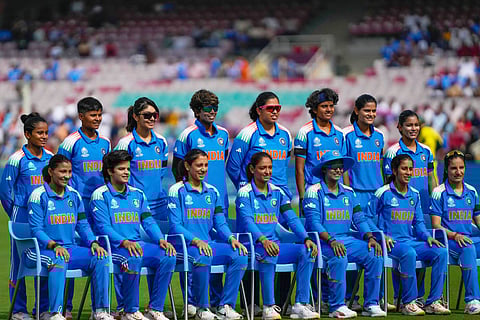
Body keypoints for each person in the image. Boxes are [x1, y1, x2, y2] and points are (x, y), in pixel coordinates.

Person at [226, 92, 292, 313]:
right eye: (270, 108)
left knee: (281, 247)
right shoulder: (247, 134)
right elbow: (233, 166)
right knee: (252, 249)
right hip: (254, 203)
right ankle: (250, 304)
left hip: (280, 202)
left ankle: (282, 303)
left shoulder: (284, 134)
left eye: (277, 108)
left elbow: (283, 166)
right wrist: (248, 190)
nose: (274, 111)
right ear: (259, 109)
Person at [91, 150, 176, 320]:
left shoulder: (138, 194)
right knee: (133, 257)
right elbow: (103, 227)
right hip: (113, 247)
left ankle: (155, 308)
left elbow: (148, 222)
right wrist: (124, 242)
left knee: (168, 256)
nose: (126, 172)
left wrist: (160, 239)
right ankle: (129, 310)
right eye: (121, 169)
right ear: (109, 171)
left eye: (128, 169)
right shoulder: (100, 195)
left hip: (136, 245)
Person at [236, 152, 319, 320]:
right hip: (252, 246)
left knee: (307, 251)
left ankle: (300, 305)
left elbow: (292, 218)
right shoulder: (244, 193)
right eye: (262, 168)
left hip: (272, 243)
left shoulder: (278, 192)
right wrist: (263, 240)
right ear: (252, 169)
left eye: (269, 167)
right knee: (270, 250)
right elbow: (247, 222)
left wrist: (305, 238)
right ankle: (268, 307)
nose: (267, 171)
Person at [27, 154, 112, 320]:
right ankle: (56, 313)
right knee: (58, 259)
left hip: (70, 249)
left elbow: (83, 225)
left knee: (101, 257)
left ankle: (100, 311)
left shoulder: (74, 195)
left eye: (69, 171)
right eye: (62, 171)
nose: (67, 175)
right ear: (51, 172)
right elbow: (36, 230)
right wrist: (54, 245)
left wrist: (93, 242)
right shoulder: (38, 196)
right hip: (39, 251)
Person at [303, 150, 385, 318]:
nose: (338, 171)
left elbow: (359, 219)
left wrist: (369, 237)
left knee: (375, 254)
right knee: (339, 257)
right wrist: (331, 240)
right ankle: (336, 306)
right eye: (334, 167)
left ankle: (371, 303)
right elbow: (313, 223)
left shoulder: (349, 191)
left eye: (340, 168)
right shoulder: (313, 191)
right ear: (325, 169)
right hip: (322, 243)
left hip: (347, 240)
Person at [366, 154, 450, 315]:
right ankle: (408, 302)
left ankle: (432, 301)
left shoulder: (414, 194)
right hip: (391, 244)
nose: (408, 172)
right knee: (408, 253)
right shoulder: (382, 192)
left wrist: (427, 237)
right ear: (395, 171)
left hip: (411, 241)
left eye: (411, 169)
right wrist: (380, 236)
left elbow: (418, 223)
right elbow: (366, 218)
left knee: (441, 252)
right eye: (404, 168)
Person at [169, 149, 248, 320]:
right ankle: (202, 308)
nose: (203, 169)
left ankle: (225, 306)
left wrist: (231, 238)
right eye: (199, 165)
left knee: (240, 255)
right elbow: (175, 226)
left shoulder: (213, 191)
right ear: (187, 166)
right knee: (203, 256)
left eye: (206, 165)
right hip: (184, 247)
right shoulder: (176, 191)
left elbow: (220, 223)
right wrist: (196, 241)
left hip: (208, 244)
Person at [172, 89, 230, 316]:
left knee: (215, 251)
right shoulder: (187, 135)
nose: (213, 112)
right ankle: (191, 301)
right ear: (197, 111)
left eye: (215, 107)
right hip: (193, 205)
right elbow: (177, 168)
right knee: (193, 252)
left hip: (219, 203)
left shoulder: (224, 134)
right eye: (207, 108)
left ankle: (216, 301)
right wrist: (188, 197)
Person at [114, 97, 169, 315]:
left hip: (158, 206)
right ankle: (124, 307)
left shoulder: (162, 142)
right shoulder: (126, 143)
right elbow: (117, 175)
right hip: (132, 209)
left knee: (158, 254)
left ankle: (154, 307)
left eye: (155, 115)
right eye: (147, 115)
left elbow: (162, 172)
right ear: (136, 117)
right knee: (128, 256)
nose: (152, 119)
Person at [57, 97, 110, 316]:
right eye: (92, 115)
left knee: (102, 255)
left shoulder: (106, 143)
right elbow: (58, 172)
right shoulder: (70, 142)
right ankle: (65, 308)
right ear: (81, 117)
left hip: (99, 207)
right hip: (76, 208)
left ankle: (100, 308)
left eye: (99, 115)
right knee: (68, 253)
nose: (97, 119)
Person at [294, 88, 344, 312]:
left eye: (331, 105)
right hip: (315, 196)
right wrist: (304, 197)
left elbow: (343, 165)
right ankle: (314, 298)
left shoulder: (339, 133)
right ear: (314, 109)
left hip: (335, 196)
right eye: (324, 106)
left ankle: (328, 299)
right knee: (316, 248)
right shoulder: (305, 133)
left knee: (333, 248)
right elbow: (300, 169)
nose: (329, 109)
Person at [342, 94, 392, 311]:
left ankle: (377, 297)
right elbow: (343, 168)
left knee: (379, 244)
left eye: (373, 111)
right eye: (367, 111)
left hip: (377, 197)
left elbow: (380, 167)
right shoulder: (346, 135)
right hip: (356, 197)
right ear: (356, 111)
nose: (371, 115)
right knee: (358, 244)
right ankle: (350, 297)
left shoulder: (380, 136)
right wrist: (347, 195)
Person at [0, 112, 52, 320]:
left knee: (47, 260)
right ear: (27, 134)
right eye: (40, 133)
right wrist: (16, 211)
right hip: (22, 215)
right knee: (19, 263)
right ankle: (19, 309)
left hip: (47, 218)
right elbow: (5, 191)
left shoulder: (50, 158)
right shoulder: (16, 159)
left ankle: (43, 309)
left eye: (46, 132)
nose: (44, 136)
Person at [383, 110, 437, 306]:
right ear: (399, 127)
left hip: (421, 209)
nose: (413, 129)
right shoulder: (393, 152)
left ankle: (420, 296)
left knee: (422, 250)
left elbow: (432, 178)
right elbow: (387, 182)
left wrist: (434, 202)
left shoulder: (426, 151)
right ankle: (400, 296)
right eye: (409, 125)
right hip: (400, 209)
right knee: (402, 251)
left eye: (416, 125)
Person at [430, 150, 480, 314]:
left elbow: (478, 220)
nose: (458, 172)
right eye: (453, 168)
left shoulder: (472, 191)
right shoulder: (439, 192)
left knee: (469, 245)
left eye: (461, 168)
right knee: (468, 247)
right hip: (448, 241)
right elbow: (436, 225)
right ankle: (472, 301)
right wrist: (455, 235)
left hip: (468, 239)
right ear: (446, 170)